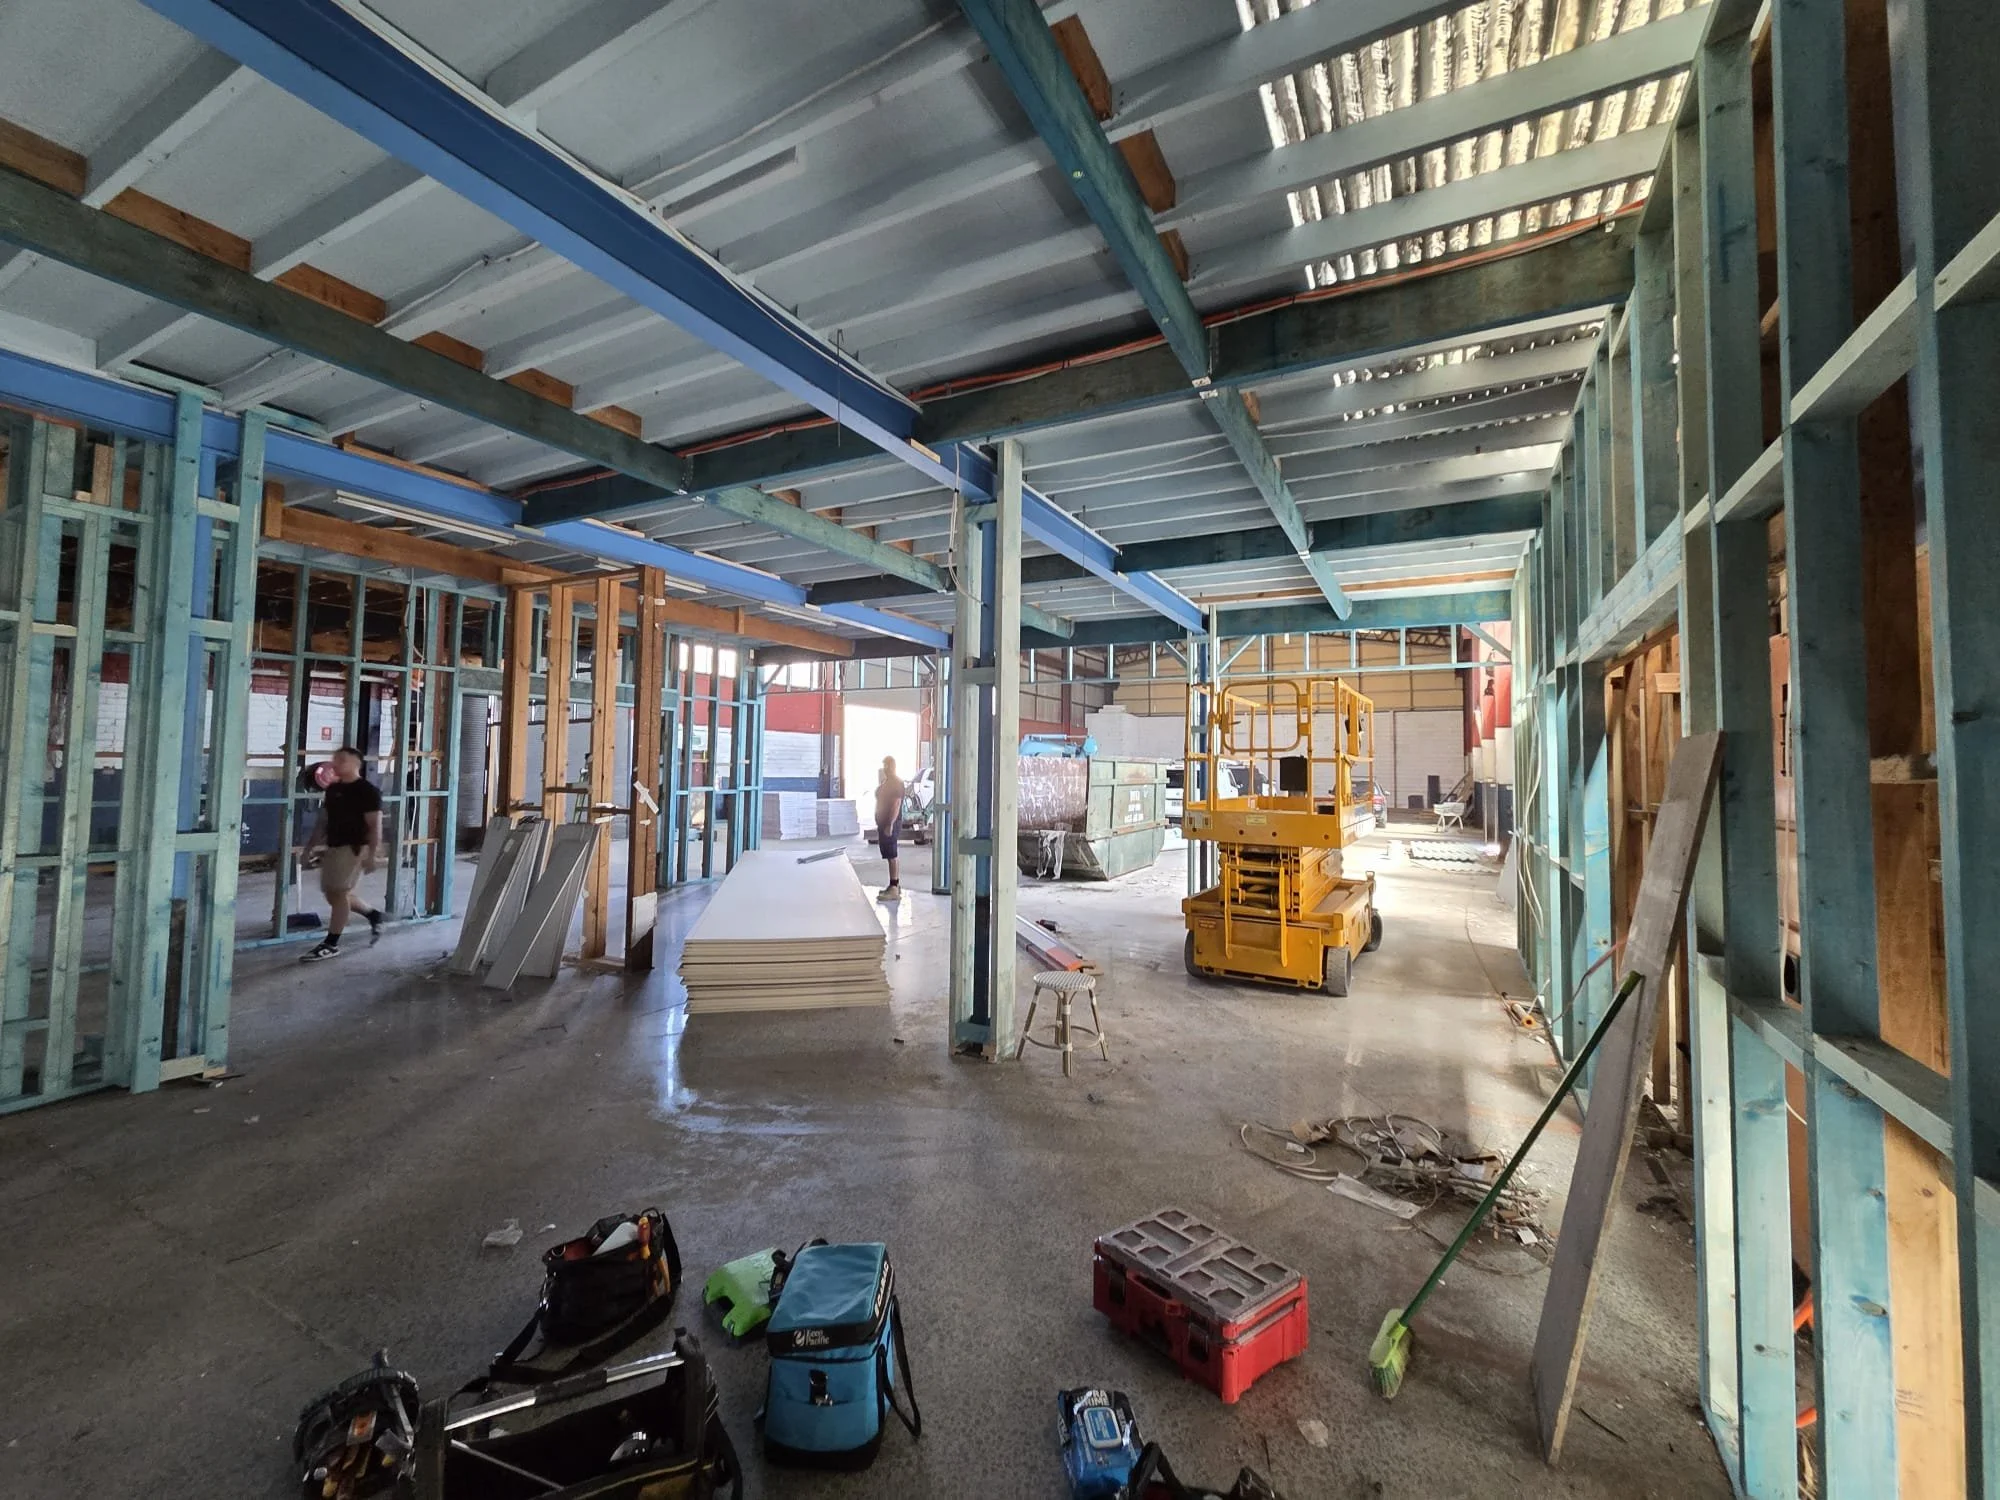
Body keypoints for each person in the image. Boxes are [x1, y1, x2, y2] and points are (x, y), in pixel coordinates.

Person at [301, 746, 386, 961]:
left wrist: (372, 854)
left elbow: (374, 825)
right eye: (335, 759)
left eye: (342, 760)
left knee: (338, 893)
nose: (335, 763)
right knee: (333, 893)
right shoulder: (333, 790)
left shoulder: (367, 791)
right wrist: (309, 847)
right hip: (335, 846)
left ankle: (331, 943)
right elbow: (323, 821)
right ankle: (373, 915)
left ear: (356, 764)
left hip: (355, 847)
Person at [874, 755, 906, 900]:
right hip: (883, 822)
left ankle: (894, 887)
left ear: (893, 766)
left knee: (892, 854)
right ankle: (894, 885)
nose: (885, 768)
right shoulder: (886, 782)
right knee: (888, 853)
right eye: (884, 765)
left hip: (890, 823)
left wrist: (890, 824)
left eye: (888, 765)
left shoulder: (896, 783)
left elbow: (896, 804)